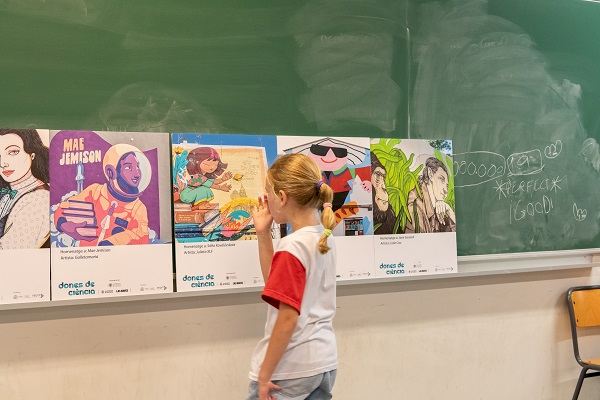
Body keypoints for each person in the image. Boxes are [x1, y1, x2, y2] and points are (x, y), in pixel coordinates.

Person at [248, 153, 338, 400]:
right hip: (323, 362)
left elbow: (287, 318)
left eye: (268, 192)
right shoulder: (323, 237)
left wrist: (264, 374)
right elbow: (275, 286)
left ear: (282, 197)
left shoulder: (293, 246)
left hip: (290, 369)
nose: (265, 199)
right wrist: (263, 234)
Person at [54, 143, 151, 246]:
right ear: (111, 172)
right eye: (128, 167)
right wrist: (63, 223)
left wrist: (111, 243)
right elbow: (65, 207)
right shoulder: (95, 192)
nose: (137, 174)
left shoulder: (138, 208)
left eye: (137, 166)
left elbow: (141, 236)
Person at [0, 129, 50, 249]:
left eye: (13, 152)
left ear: (32, 154)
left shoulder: (40, 199)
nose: (3, 163)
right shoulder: (7, 191)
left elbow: (11, 249)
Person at [405, 157, 456, 233]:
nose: (445, 190)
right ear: (430, 174)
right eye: (441, 179)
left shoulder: (440, 208)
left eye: (447, 186)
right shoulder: (416, 202)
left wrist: (449, 211)